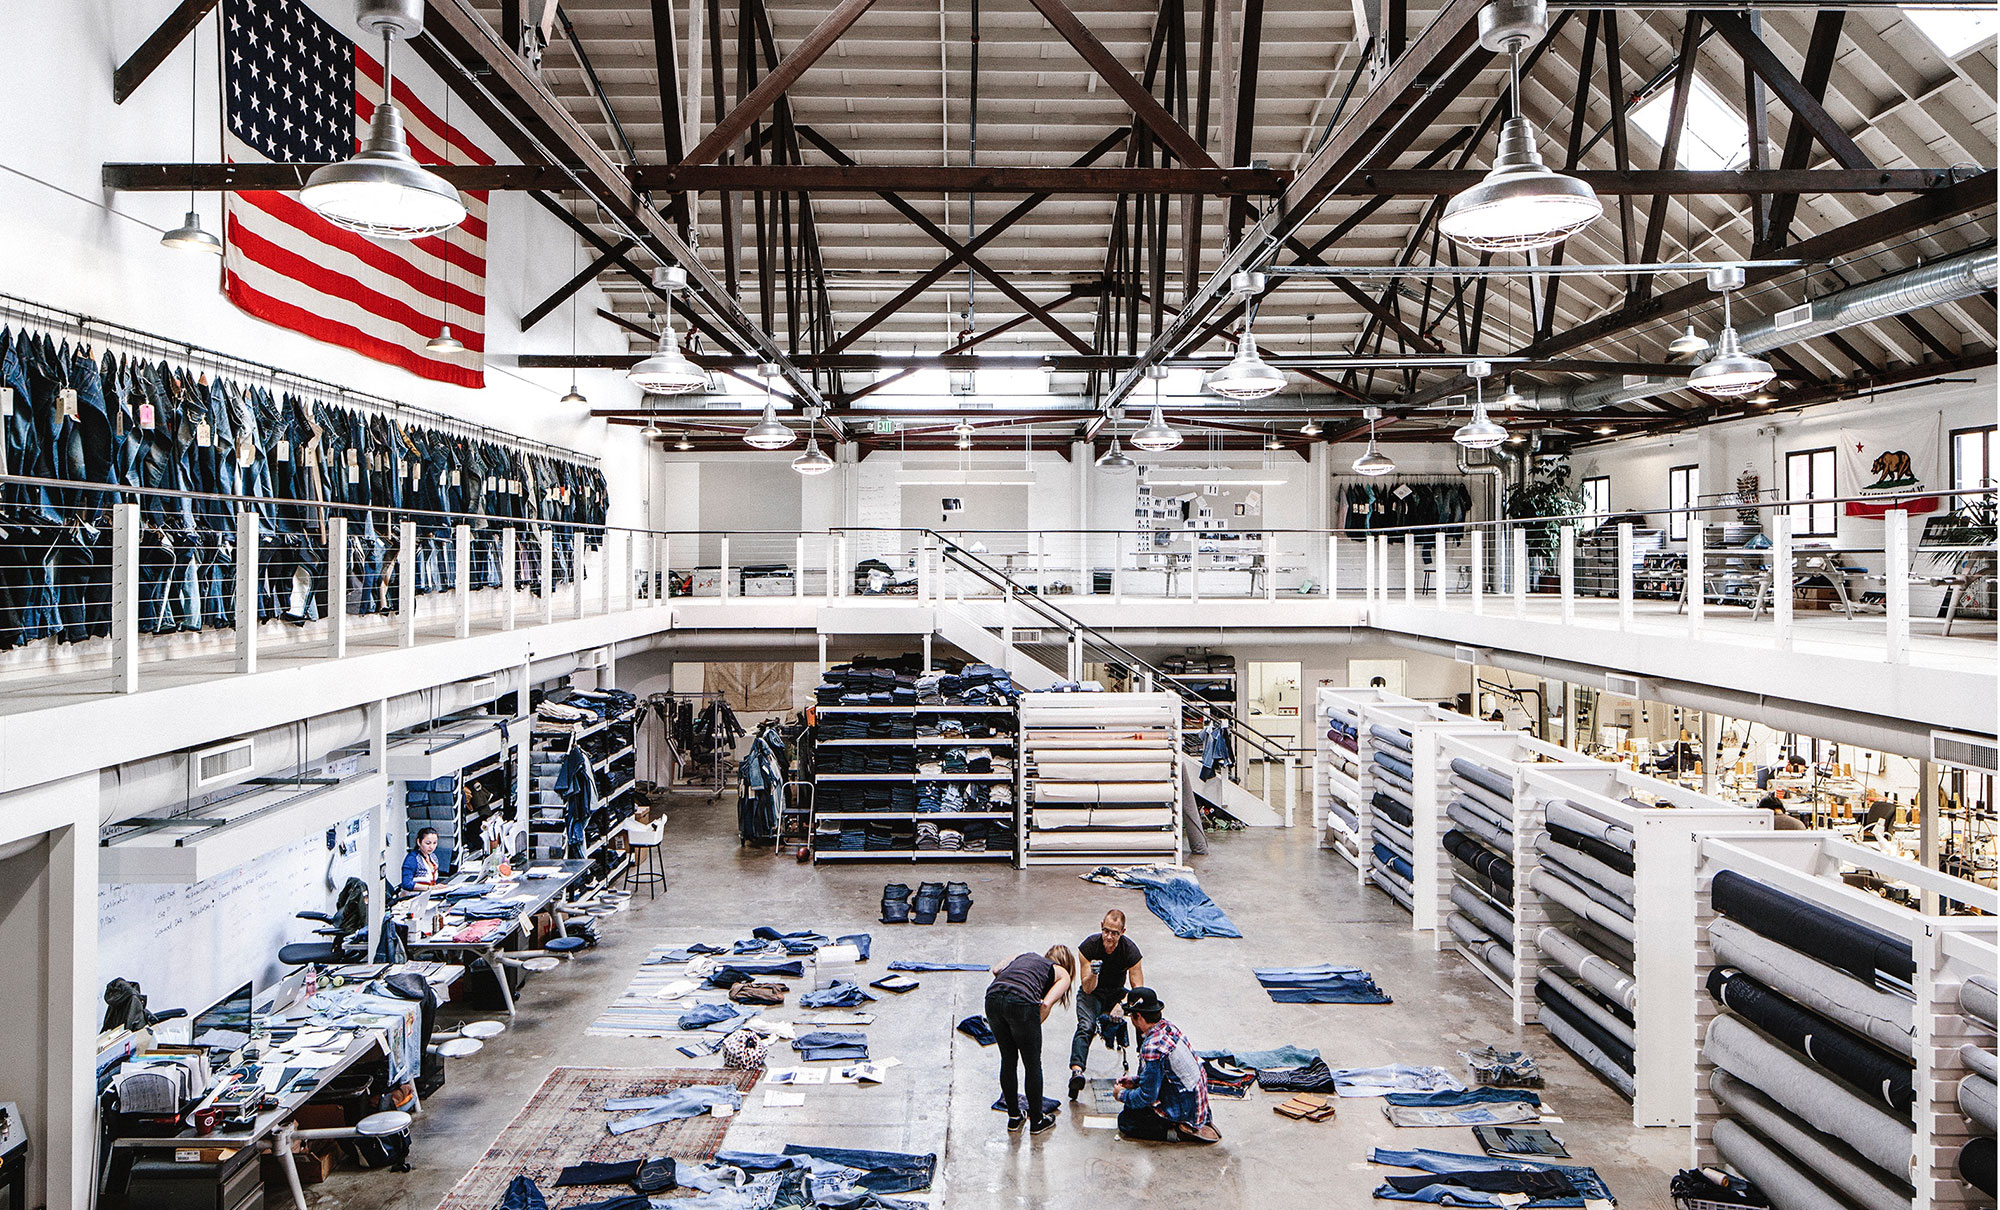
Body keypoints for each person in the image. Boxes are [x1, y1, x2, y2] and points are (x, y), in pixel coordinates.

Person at [984, 944, 1083, 1134]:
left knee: (1008, 1059)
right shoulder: (1062, 973)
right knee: (1032, 1064)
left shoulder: (1024, 955)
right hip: (1021, 1002)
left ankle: (1014, 1118)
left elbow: (996, 970)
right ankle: (1037, 1120)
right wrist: (1029, 1027)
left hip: (993, 997)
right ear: (1068, 966)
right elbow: (1046, 1004)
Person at [1113, 987, 1219, 1143]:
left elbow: (1147, 1096)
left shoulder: (1152, 1046)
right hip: (1195, 1104)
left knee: (1126, 1120)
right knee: (1134, 1103)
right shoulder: (1169, 1028)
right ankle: (1188, 1124)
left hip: (1184, 1109)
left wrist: (1121, 1095)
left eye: (1131, 1016)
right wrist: (1135, 1081)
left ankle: (1179, 1132)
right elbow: (1162, 1074)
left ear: (1139, 1017)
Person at [1068, 910, 1146, 1099]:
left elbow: (1139, 990)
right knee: (1086, 1026)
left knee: (1144, 1016)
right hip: (1092, 992)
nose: (1109, 937)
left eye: (1115, 933)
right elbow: (1086, 988)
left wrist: (1123, 1004)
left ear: (1123, 932)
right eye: (1106, 931)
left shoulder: (1131, 951)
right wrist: (1093, 973)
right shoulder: (1088, 947)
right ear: (1101, 926)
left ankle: (1146, 1069)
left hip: (1116, 993)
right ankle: (1077, 1073)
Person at [400, 827, 449, 892]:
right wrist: (430, 888)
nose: (431, 847)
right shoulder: (412, 858)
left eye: (434, 843)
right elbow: (406, 884)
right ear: (418, 842)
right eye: (428, 843)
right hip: (414, 896)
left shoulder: (433, 857)